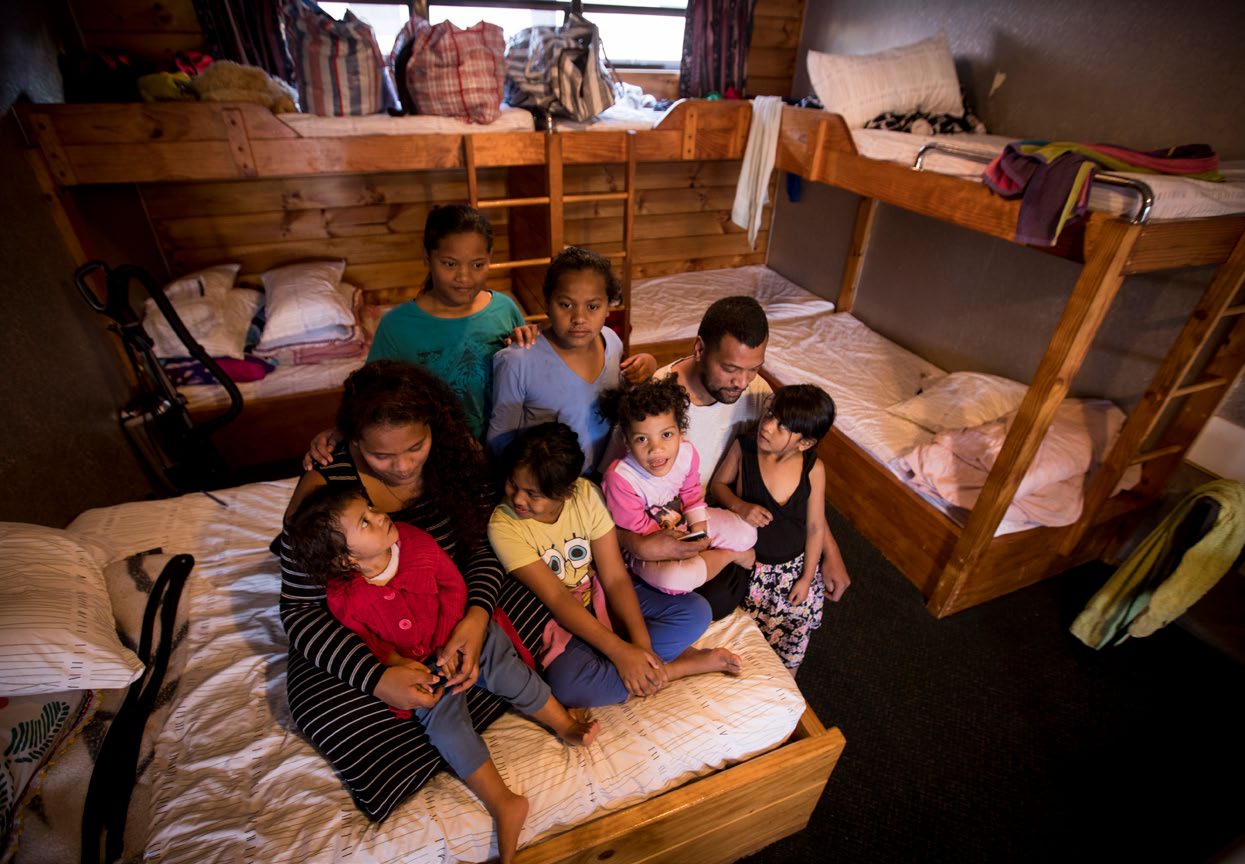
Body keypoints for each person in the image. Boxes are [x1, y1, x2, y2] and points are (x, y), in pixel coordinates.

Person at [278, 359, 551, 822]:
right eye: (381, 456)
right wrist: (376, 678)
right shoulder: (322, 493)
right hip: (374, 632)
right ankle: (468, 701)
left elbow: (485, 548)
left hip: (448, 605)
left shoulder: (456, 458)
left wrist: (476, 618)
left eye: (415, 447)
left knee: (543, 601)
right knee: (321, 705)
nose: (402, 467)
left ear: (432, 429)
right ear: (351, 440)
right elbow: (301, 609)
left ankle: (463, 699)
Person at [287, 485, 597, 863]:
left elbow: (453, 586)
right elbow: (367, 641)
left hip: (460, 635)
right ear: (345, 560)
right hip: (421, 666)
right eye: (365, 521)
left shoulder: (414, 543)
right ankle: (504, 803)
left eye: (370, 507)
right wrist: (396, 664)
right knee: (443, 726)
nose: (380, 515)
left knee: (508, 673)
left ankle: (562, 723)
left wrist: (451, 641)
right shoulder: (343, 596)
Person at [610, 296, 851, 618]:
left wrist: (829, 552)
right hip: (654, 523)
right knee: (684, 592)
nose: (741, 382)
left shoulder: (759, 396)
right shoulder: (654, 404)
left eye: (753, 369)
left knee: (723, 592)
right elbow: (607, 492)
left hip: (711, 519)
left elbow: (798, 476)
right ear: (699, 349)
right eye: (730, 368)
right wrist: (637, 544)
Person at [488, 422, 743, 708]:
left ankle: (643, 665)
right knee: (567, 686)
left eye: (533, 494)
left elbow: (615, 578)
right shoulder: (504, 525)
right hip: (562, 616)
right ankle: (677, 667)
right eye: (513, 483)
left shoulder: (586, 495)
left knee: (696, 612)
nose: (518, 499)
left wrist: (640, 646)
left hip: (602, 592)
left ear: (566, 492)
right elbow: (558, 599)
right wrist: (621, 653)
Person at [307, 205, 538, 463]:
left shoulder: (504, 309)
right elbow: (370, 398)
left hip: (503, 455)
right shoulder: (397, 326)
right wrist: (340, 431)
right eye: (449, 264)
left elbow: (524, 377)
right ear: (427, 257)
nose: (464, 277)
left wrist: (529, 342)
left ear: (490, 257)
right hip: (432, 461)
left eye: (477, 264)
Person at [709, 384, 845, 676]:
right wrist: (740, 506)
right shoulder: (744, 447)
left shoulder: (813, 469)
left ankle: (785, 684)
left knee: (790, 637)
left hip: (793, 571)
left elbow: (815, 527)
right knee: (743, 642)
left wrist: (807, 578)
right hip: (751, 567)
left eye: (782, 426)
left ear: (805, 443)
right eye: (770, 414)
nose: (767, 426)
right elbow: (718, 485)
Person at [486, 246, 656, 474]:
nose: (579, 318)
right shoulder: (518, 360)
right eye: (566, 305)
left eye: (593, 306)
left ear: (608, 307)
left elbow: (616, 402)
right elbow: (500, 441)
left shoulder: (612, 342)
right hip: (548, 487)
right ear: (547, 303)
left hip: (606, 477)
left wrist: (646, 366)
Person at [598, 376, 756, 595]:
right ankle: (729, 556)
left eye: (666, 435)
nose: (656, 449)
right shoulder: (620, 479)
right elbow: (639, 532)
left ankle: (704, 562)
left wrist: (698, 530)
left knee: (748, 533)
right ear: (626, 440)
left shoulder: (686, 453)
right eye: (642, 439)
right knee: (677, 580)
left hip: (682, 526)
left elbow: (691, 494)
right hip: (650, 545)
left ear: (680, 432)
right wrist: (682, 548)